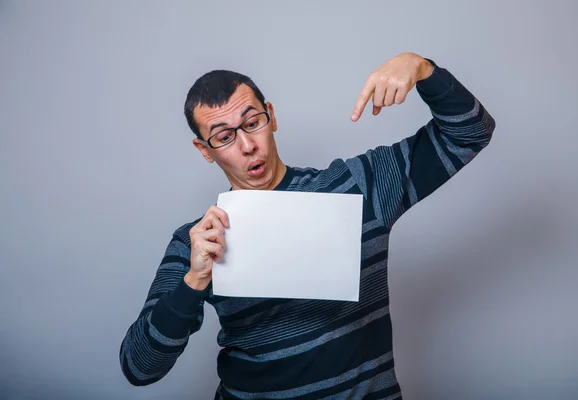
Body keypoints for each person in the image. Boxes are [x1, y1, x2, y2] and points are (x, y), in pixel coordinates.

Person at [119, 52, 496, 399]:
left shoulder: (356, 187)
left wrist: (421, 68)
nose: (247, 145)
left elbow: (471, 132)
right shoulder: (199, 241)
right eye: (224, 136)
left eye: (252, 122)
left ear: (271, 116)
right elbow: (139, 367)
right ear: (205, 150)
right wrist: (193, 281)